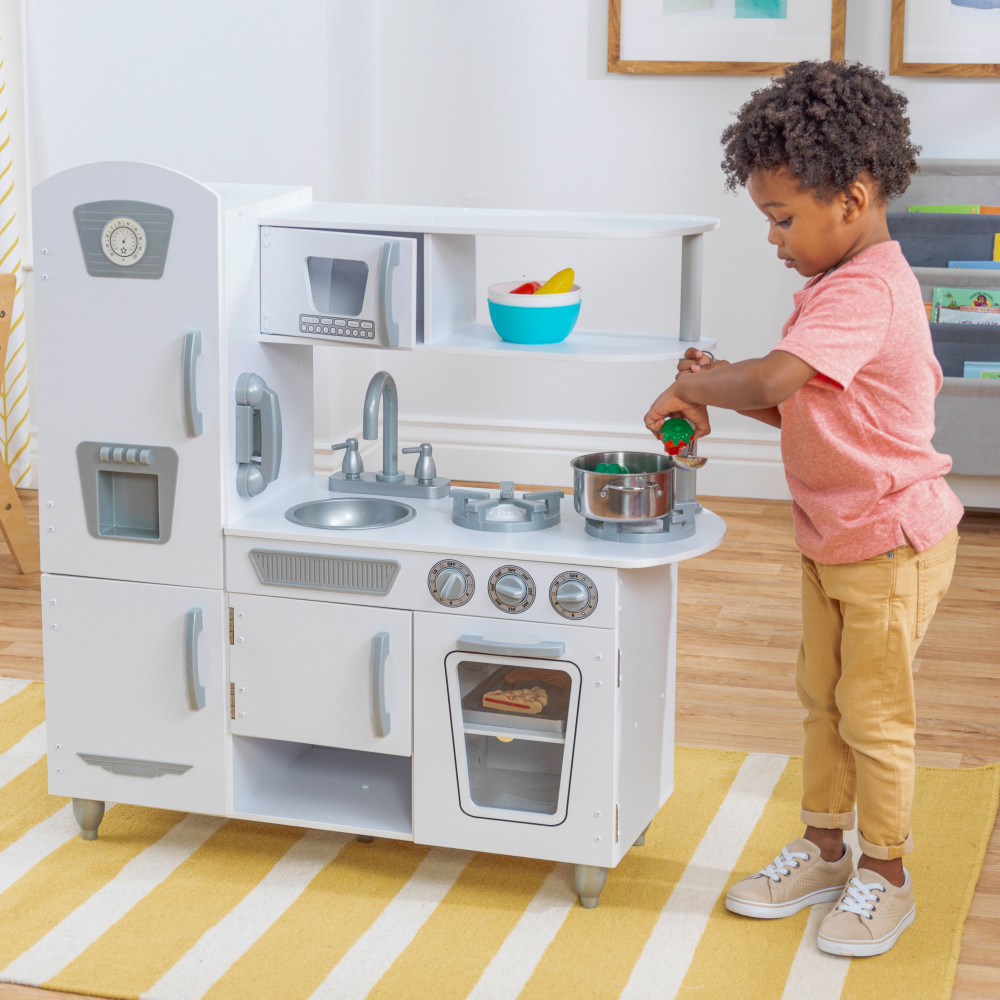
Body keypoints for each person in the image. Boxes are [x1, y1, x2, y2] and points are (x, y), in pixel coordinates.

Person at [644, 60, 963, 957]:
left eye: (783, 218)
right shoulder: (834, 291)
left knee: (873, 714)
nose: (775, 238)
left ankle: (886, 872)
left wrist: (692, 383)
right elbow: (796, 399)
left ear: (852, 198)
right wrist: (717, 385)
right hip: (835, 538)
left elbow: (782, 373)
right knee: (821, 702)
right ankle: (826, 847)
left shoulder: (867, 290)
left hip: (889, 543)